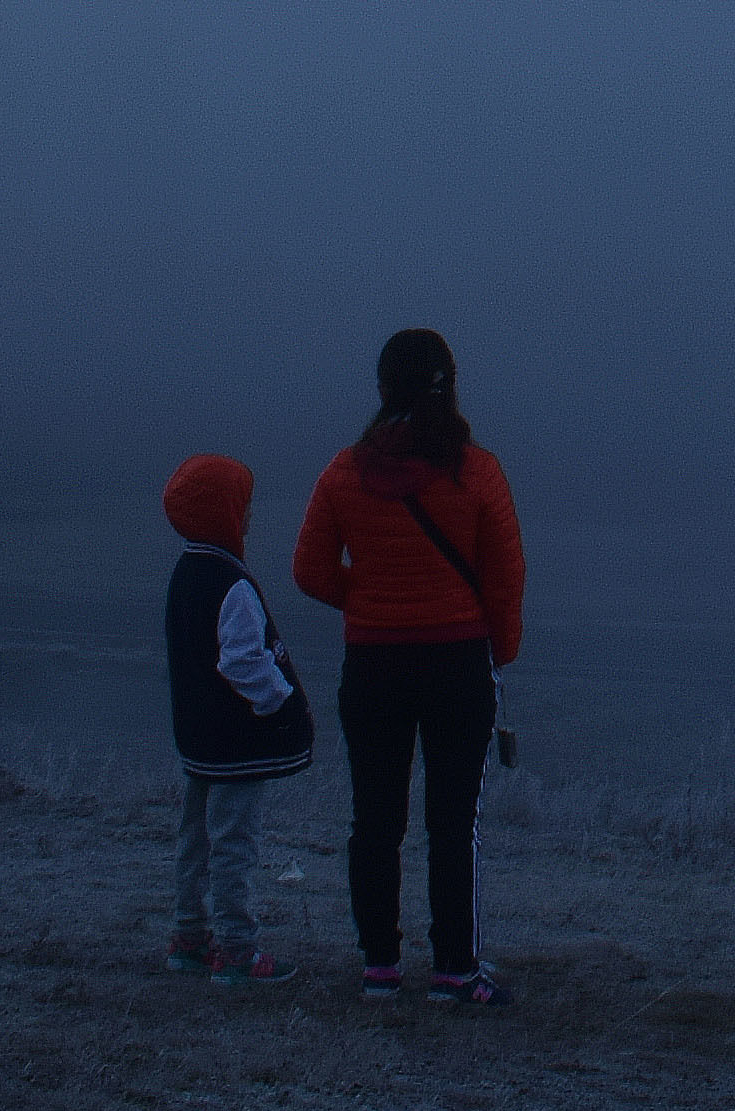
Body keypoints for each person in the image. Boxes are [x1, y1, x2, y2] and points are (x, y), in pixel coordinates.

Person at [288, 326, 525, 1007]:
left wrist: (366, 598)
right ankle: (455, 970)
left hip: (373, 665)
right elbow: (505, 578)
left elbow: (308, 572)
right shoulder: (478, 472)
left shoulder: (343, 472)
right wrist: (496, 650)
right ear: (449, 388)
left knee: (375, 819)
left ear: (382, 389)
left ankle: (380, 969)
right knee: (452, 823)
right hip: (456, 663)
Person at [155, 451, 317, 980]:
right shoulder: (233, 585)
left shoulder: (185, 573)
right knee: (234, 843)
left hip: (199, 738)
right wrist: (278, 700)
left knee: (196, 837)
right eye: (241, 504)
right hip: (236, 742)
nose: (248, 514)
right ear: (224, 512)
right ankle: (237, 950)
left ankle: (190, 935)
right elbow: (243, 660)